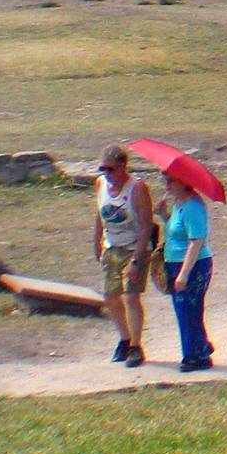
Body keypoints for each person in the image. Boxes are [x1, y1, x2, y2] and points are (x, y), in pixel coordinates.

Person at [94, 144, 153, 368]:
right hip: (113, 246)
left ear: (123, 167)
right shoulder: (100, 184)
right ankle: (124, 338)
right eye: (103, 169)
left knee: (131, 296)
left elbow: (146, 225)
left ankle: (136, 346)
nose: (107, 174)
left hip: (134, 247)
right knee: (110, 295)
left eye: (111, 169)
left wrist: (138, 259)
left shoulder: (137, 188)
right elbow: (99, 215)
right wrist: (97, 241)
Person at [157, 172, 214, 372]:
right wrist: (164, 215)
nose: (167, 185)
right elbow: (176, 232)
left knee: (187, 310)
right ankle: (201, 347)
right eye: (165, 180)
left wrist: (184, 273)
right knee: (187, 310)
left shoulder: (192, 207)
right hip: (177, 262)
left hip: (192, 265)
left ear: (186, 182)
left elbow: (196, 241)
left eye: (172, 180)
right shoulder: (179, 204)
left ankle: (194, 356)